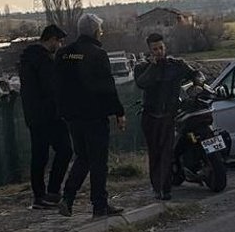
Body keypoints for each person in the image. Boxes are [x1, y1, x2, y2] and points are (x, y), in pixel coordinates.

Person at [54, 14, 126, 218]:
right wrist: (119, 112)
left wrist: (63, 110)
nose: (101, 33)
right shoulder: (97, 54)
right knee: (98, 162)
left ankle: (67, 198)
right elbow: (107, 87)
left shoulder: (65, 54)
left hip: (72, 117)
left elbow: (58, 85)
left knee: (82, 157)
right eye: (100, 30)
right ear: (95, 31)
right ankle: (99, 206)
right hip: (94, 116)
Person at [135, 33, 202, 200]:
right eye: (155, 49)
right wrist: (153, 66)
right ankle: (157, 187)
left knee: (166, 153)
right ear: (149, 51)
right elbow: (142, 83)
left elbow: (196, 74)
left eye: (161, 48)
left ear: (165, 47)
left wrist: (197, 84)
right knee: (155, 153)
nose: (159, 51)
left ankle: (165, 189)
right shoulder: (142, 67)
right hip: (150, 116)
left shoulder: (176, 65)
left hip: (168, 116)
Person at [19, 24, 73, 209]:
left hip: (35, 116)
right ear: (51, 39)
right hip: (49, 115)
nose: (59, 45)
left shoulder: (28, 59)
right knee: (65, 150)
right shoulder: (44, 61)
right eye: (58, 42)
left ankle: (40, 195)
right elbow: (52, 88)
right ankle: (51, 192)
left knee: (39, 155)